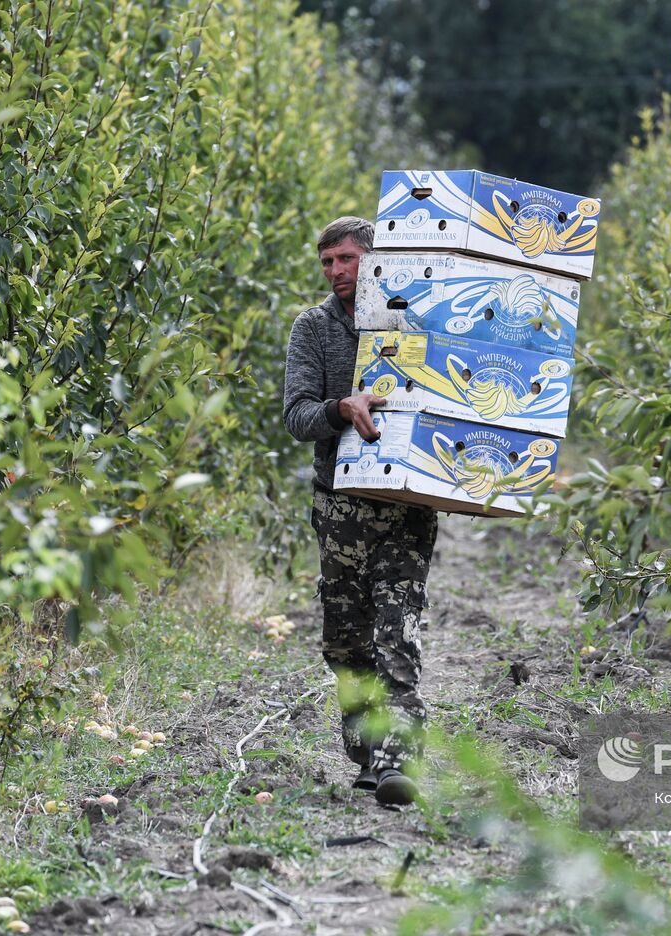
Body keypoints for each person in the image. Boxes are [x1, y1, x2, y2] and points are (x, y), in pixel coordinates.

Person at [282, 216, 438, 807]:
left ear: (374, 259)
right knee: (346, 640)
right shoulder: (313, 329)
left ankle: (400, 758)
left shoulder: (414, 318)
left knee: (397, 631)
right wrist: (339, 408)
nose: (337, 272)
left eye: (347, 259)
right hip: (340, 507)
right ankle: (368, 747)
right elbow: (297, 416)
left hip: (405, 503)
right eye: (327, 262)